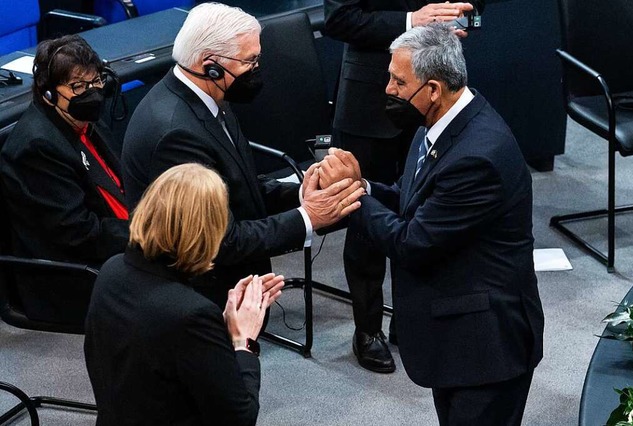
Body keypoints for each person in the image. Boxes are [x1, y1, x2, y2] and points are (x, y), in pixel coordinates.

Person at [319, 24, 544, 425]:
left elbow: (412, 241)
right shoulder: (440, 124)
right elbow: (413, 199)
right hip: (454, 334)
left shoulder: (478, 157)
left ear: (434, 89)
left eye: (397, 80)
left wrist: (353, 196)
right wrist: (366, 186)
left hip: (485, 350)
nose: (387, 88)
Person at [121, 2, 363, 309]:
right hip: (200, 298)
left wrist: (305, 193)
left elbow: (241, 187)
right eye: (250, 61)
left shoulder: (209, 97)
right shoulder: (176, 133)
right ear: (210, 65)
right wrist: (308, 217)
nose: (257, 68)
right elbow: (221, 241)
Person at [324, 0, 484, 373]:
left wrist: (446, 28)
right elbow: (339, 18)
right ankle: (367, 330)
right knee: (362, 210)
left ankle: (408, 318)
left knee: (423, 207)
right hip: (371, 100)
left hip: (432, 94)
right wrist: (413, 21)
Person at [85, 163, 284, 425]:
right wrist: (244, 341)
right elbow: (240, 417)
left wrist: (220, 328)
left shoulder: (112, 270)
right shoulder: (190, 315)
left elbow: (158, 359)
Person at [0, 34, 128, 324]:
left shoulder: (84, 120)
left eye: (96, 82)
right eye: (78, 86)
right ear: (48, 93)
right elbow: (78, 234)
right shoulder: (36, 148)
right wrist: (148, 235)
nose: (92, 92)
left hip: (114, 245)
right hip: (74, 276)